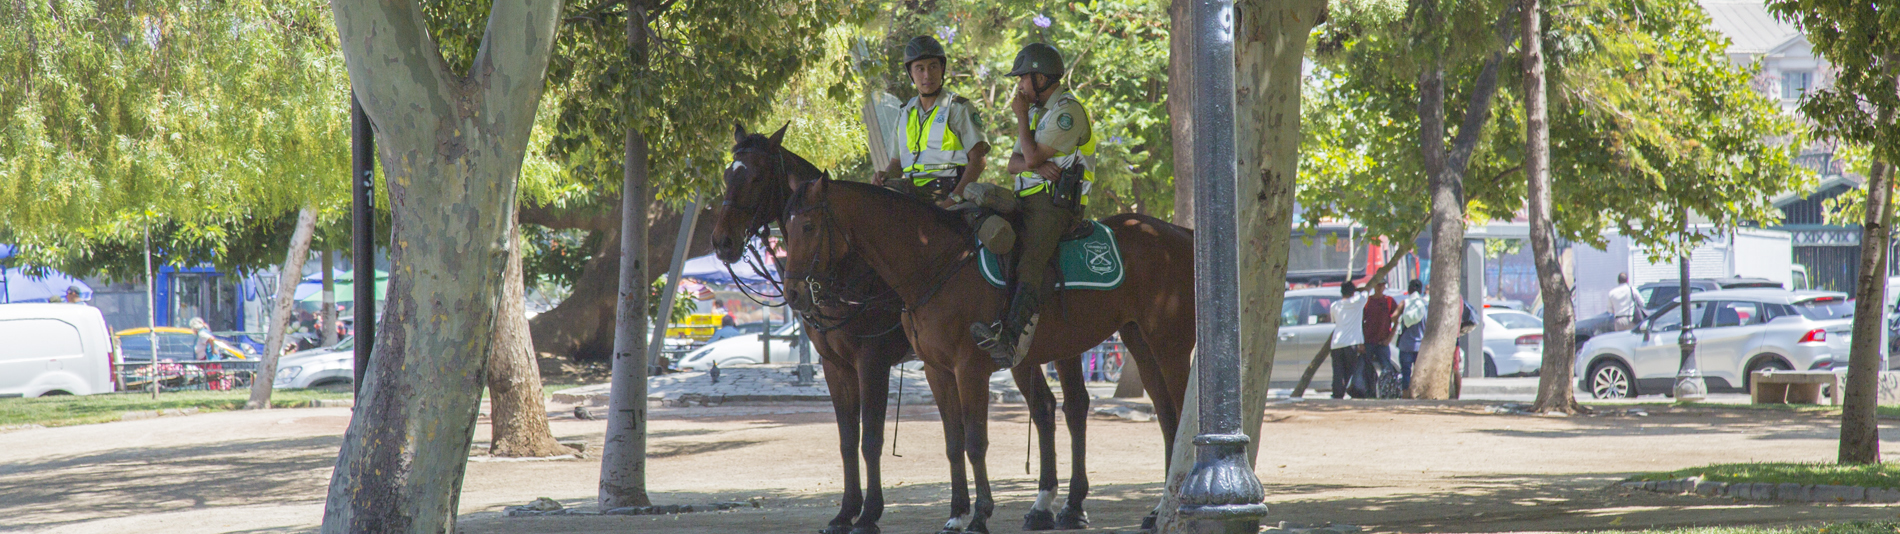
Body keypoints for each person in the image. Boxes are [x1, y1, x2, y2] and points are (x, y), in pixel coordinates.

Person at [971, 42, 1097, 369]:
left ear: (1040, 77)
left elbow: (1026, 155)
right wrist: (1037, 164)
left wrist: (1023, 122)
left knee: (1030, 262)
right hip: (1027, 198)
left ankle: (1012, 340)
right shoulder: (1039, 114)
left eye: (1023, 78)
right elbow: (1015, 163)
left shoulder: (1067, 112)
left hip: (1055, 205)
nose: (1019, 86)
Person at [873, 36, 991, 206]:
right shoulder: (904, 112)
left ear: (942, 69)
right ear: (911, 74)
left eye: (933, 66)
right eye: (920, 69)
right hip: (911, 194)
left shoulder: (958, 108)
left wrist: (953, 199)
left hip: (948, 193)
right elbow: (896, 164)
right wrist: (884, 177)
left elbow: (978, 160)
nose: (927, 75)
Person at [1328, 281, 1368, 398]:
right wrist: (1359, 291)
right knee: (1349, 370)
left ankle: (1337, 394)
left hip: (1336, 343)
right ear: (1353, 292)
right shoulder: (1358, 302)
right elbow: (1366, 291)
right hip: (1351, 343)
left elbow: (1334, 321)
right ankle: (1350, 390)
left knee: (1337, 371)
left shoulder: (1335, 306)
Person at [1361, 280, 1400, 396]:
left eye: (1382, 285)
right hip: (1368, 341)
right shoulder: (1367, 301)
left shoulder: (1389, 301)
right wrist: (1361, 342)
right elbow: (1361, 322)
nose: (1380, 287)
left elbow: (1396, 321)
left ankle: (1388, 392)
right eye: (1378, 284)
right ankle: (1369, 392)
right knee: (1367, 368)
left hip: (1382, 342)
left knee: (1387, 368)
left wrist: (1389, 339)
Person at [1395, 279, 1429, 392]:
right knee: (1420, 373)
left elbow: (1393, 317)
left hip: (1405, 345)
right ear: (1421, 290)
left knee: (1406, 373)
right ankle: (1418, 394)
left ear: (1409, 290)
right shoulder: (1425, 305)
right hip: (1420, 346)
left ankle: (1405, 396)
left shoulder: (1404, 303)